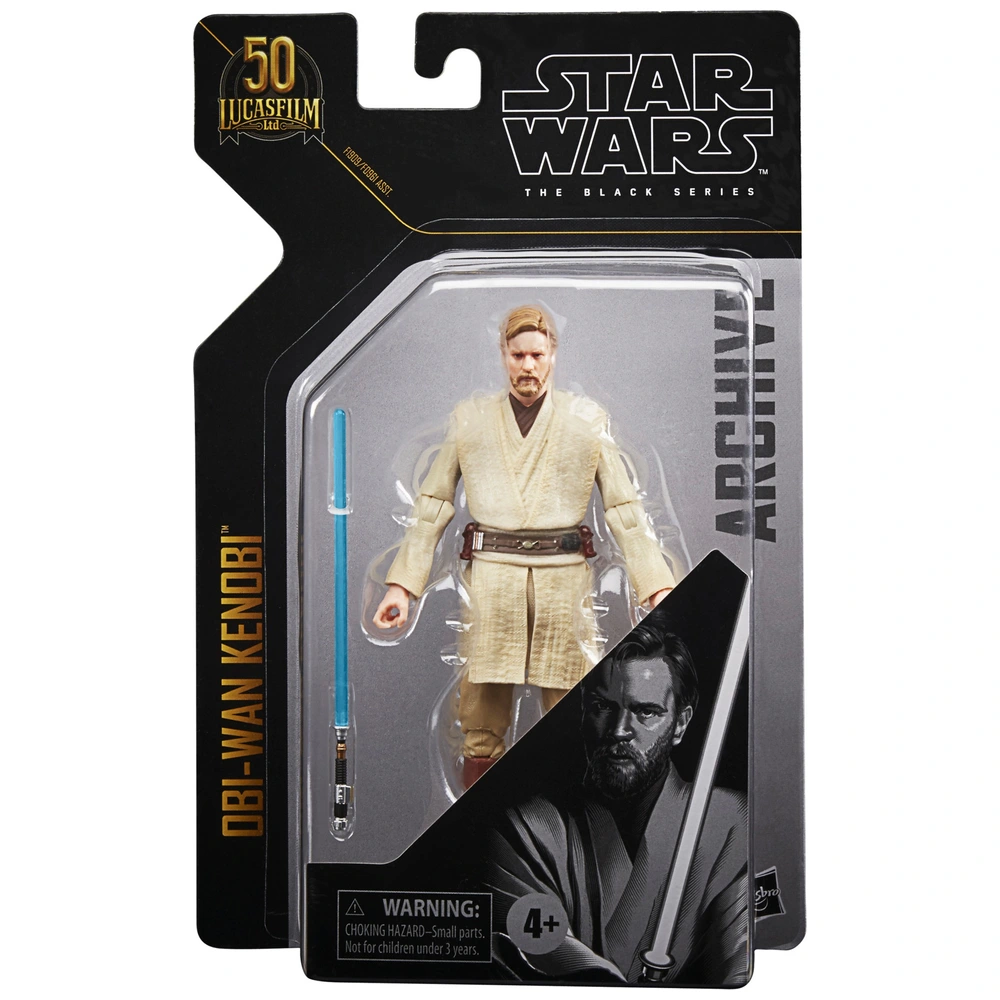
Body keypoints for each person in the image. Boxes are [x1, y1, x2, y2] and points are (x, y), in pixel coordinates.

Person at [373, 305, 676, 786]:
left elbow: (624, 508)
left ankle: (566, 812)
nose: (528, 366)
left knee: (572, 704)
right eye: (518, 355)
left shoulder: (586, 421)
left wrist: (654, 584)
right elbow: (432, 503)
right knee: (481, 709)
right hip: (492, 580)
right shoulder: (471, 420)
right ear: (503, 354)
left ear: (553, 354)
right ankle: (477, 811)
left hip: (564, 580)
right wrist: (403, 586)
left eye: (537, 354)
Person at [484, 622, 748, 984]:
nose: (620, 729)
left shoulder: (732, 825)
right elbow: (541, 953)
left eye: (646, 711)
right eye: (603, 706)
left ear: (680, 724)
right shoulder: (530, 829)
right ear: (582, 710)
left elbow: (738, 964)